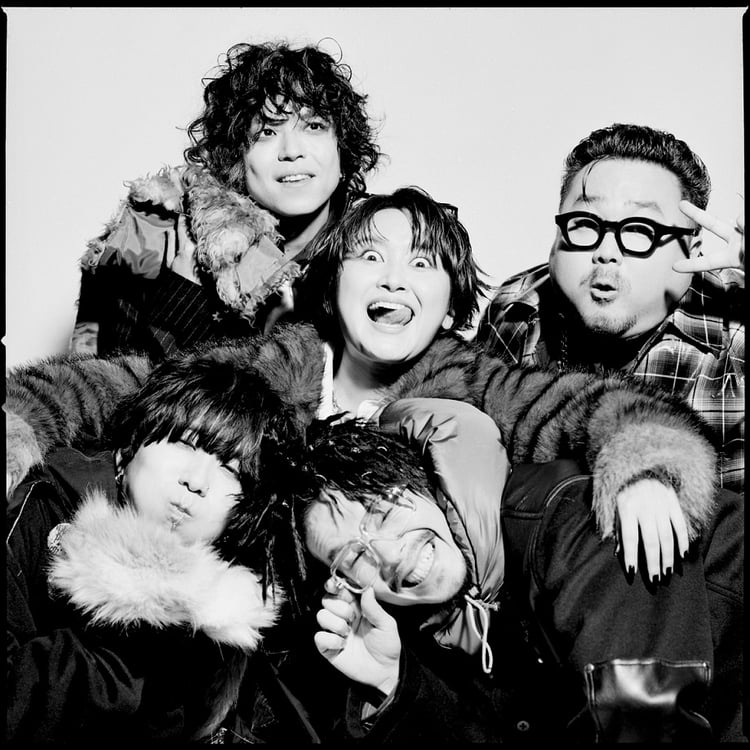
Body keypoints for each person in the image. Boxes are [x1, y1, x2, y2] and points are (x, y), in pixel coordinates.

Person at [7, 188, 721, 586]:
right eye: (370, 257)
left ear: (451, 303)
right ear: (334, 286)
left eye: (422, 265)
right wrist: (20, 421)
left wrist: (648, 469)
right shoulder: (283, 363)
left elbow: (585, 406)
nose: (394, 279)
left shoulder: (466, 381)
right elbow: (129, 383)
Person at [245, 409, 744, 743]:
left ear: (425, 482)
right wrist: (392, 682)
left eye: (383, 510)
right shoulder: (448, 621)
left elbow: (644, 722)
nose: (389, 555)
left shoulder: (570, 520)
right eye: (354, 556)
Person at [6, 351, 310, 742]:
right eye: (185, 443)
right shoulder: (37, 508)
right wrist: (130, 612)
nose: (197, 481)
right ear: (128, 449)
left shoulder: (223, 608)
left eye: (231, 469)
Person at [476, 123, 744, 494]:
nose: (606, 251)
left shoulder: (737, 338)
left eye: (640, 229)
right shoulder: (517, 311)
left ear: (694, 249)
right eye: (586, 223)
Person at [70, 39, 381, 358]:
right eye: (266, 132)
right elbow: (108, 381)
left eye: (313, 126)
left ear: (342, 147)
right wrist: (186, 291)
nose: (291, 151)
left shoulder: (386, 246)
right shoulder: (151, 234)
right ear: (235, 156)